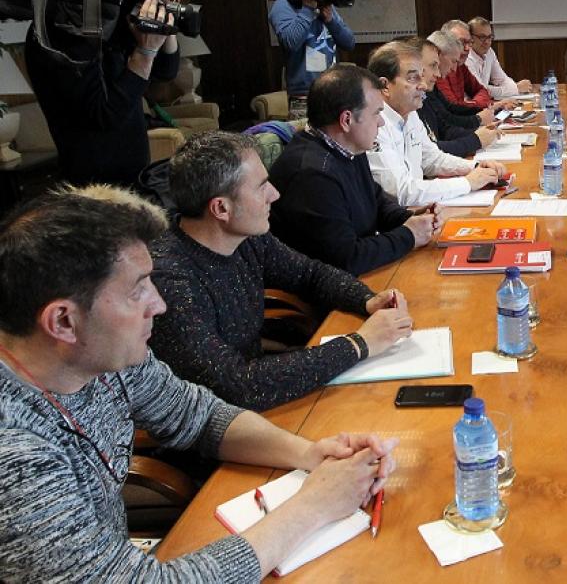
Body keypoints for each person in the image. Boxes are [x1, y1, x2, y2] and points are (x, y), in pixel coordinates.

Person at [0, 185, 396, 581]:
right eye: (138, 290)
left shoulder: (101, 356)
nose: (159, 304)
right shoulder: (16, 456)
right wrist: (314, 506)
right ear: (63, 321)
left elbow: (198, 414)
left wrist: (311, 454)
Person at [149, 132, 415, 411]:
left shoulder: (245, 237)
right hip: (225, 417)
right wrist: (359, 344)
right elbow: (236, 386)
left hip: (254, 399)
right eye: (261, 187)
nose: (274, 194)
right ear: (221, 208)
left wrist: (366, 299)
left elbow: (309, 274)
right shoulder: (170, 281)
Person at [22, 0, 180, 187]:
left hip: (134, 178)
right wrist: (145, 50)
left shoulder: (101, 22)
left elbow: (165, 72)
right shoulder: (56, 29)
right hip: (93, 190)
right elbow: (105, 114)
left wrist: (164, 26)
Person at [269, 63, 439, 275]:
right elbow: (347, 258)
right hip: (324, 287)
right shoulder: (312, 175)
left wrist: (409, 218)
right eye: (376, 113)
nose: (381, 123)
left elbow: (376, 202)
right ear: (347, 120)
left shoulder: (348, 147)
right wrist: (409, 235)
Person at [367, 39, 505, 205]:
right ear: (385, 86)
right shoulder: (373, 125)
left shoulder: (410, 114)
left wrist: (475, 167)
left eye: (421, 77)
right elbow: (401, 192)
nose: (423, 85)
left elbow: (432, 158)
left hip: (417, 211)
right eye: (413, 78)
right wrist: (467, 183)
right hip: (401, 214)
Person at [268, 0, 355, 119]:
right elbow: (290, 42)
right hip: (305, 99)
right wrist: (308, 7)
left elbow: (349, 43)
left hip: (334, 93)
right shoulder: (283, 5)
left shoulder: (323, 3)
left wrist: (330, 20)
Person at [419, 33, 496, 157]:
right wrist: (475, 136)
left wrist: (479, 134)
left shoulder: (425, 93)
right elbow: (428, 153)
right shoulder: (427, 88)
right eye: (433, 65)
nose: (437, 74)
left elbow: (444, 128)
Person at [437, 19, 497, 111]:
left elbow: (482, 90)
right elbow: (454, 108)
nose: (467, 48)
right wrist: (478, 105)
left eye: (469, 42)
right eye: (461, 42)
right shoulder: (439, 70)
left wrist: (474, 104)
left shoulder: (461, 66)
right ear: (445, 43)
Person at [465, 16, 533, 98]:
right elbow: (480, 89)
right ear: (470, 38)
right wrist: (516, 88)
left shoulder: (489, 52)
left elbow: (502, 79)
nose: (487, 42)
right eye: (482, 37)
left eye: (489, 37)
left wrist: (516, 87)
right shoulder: (466, 58)